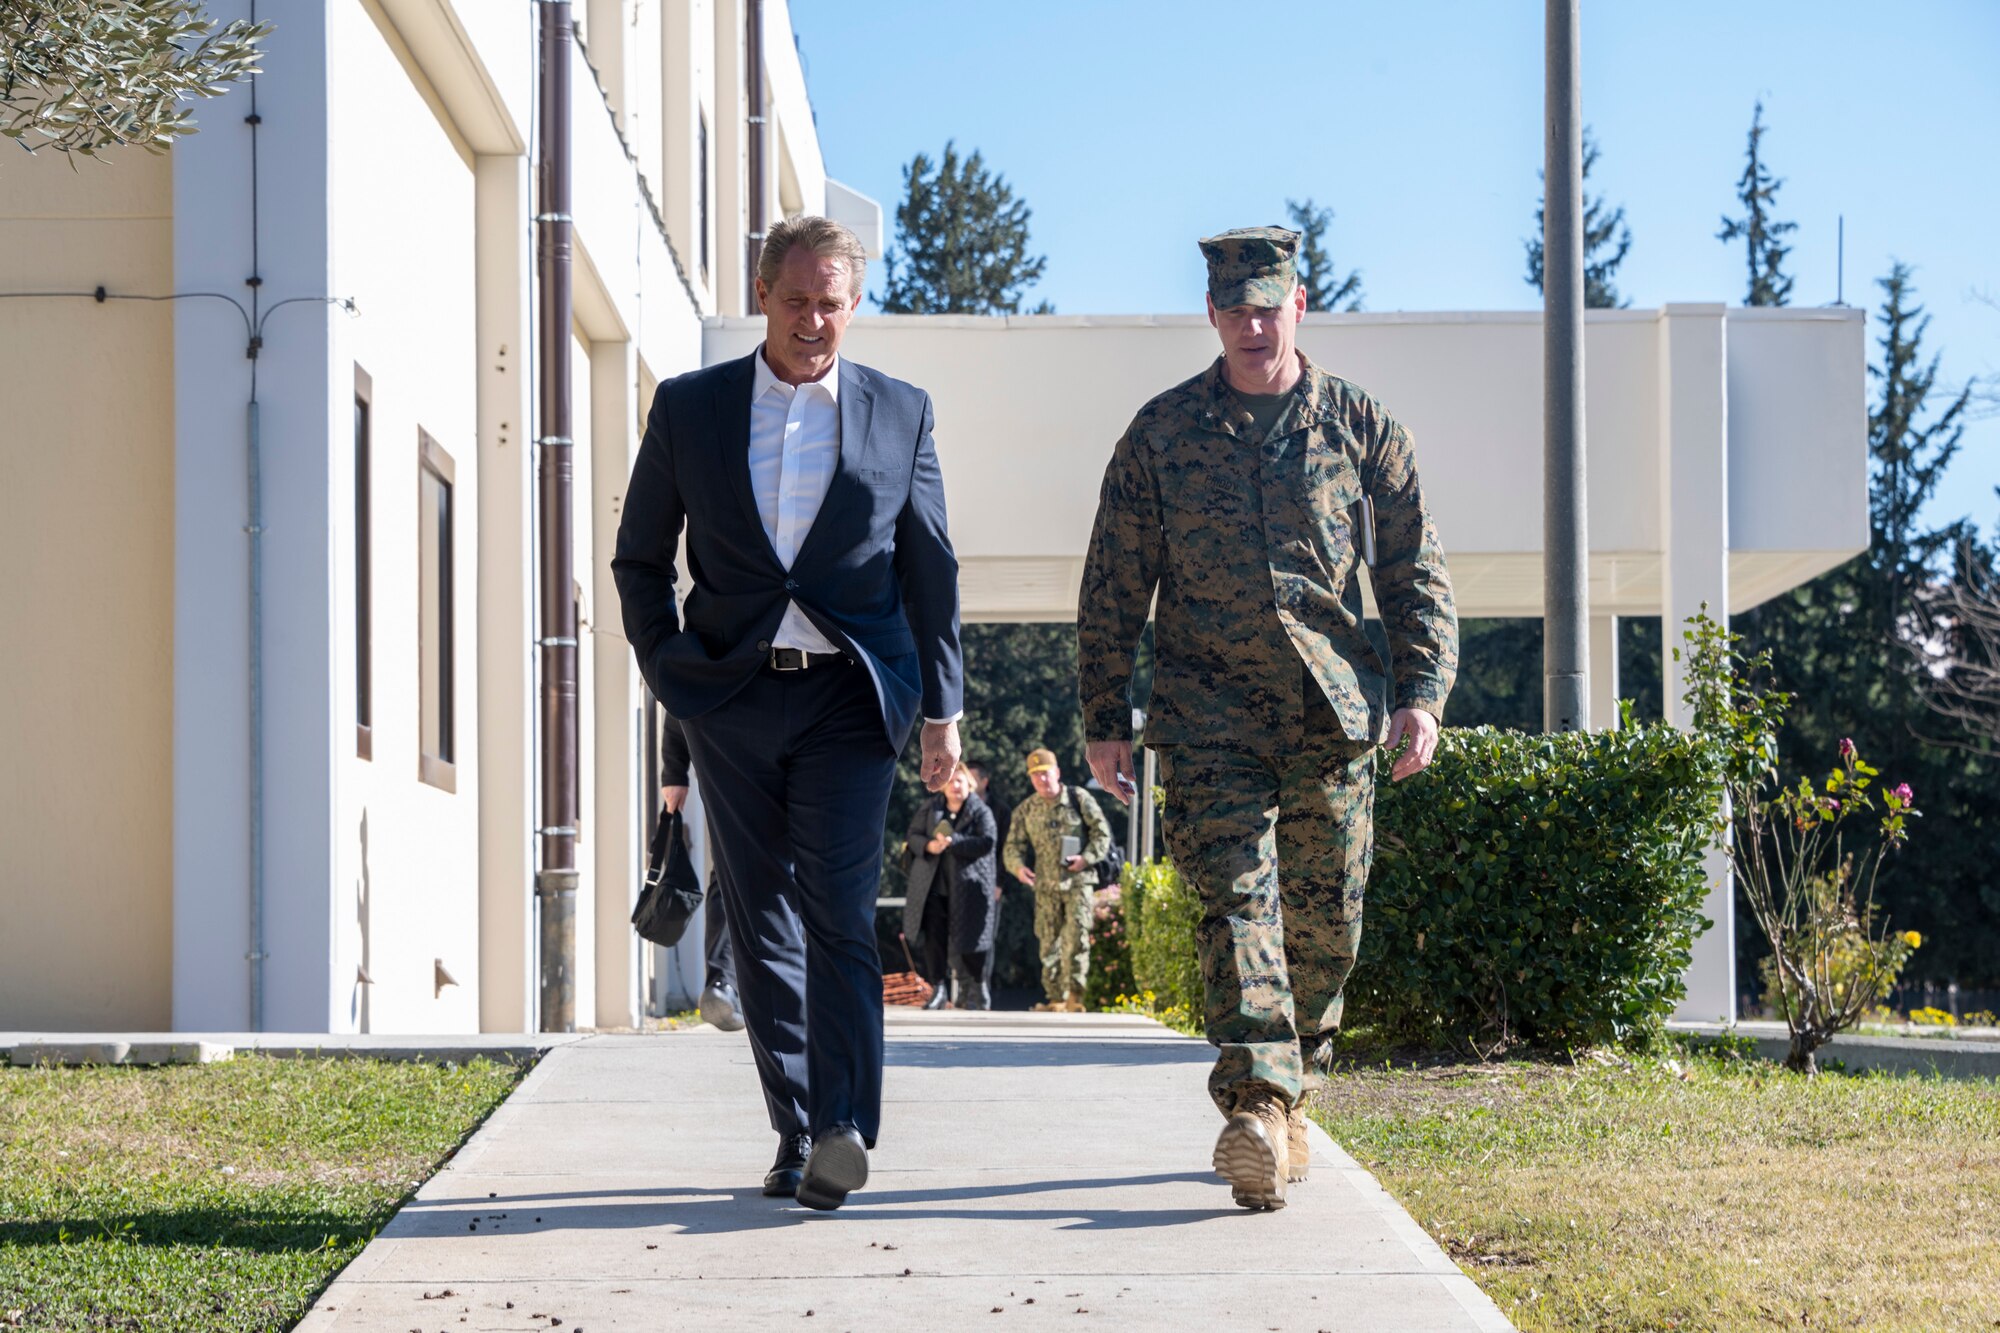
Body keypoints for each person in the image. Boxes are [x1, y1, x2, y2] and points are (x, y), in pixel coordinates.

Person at [1077, 226, 1457, 1212]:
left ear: (1298, 305)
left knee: (1323, 924)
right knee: (1238, 905)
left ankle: (1289, 1095)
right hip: (1206, 715)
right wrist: (1102, 716)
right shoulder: (1159, 435)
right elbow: (1113, 586)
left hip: (1331, 712)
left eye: (1266, 306)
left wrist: (1420, 694)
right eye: (1232, 309)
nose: (1250, 325)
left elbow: (1414, 572)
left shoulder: (1361, 427)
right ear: (1210, 315)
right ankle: (1253, 1100)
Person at [613, 214, 964, 1212]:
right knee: (759, 914)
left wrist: (943, 710)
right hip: (731, 697)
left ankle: (846, 1123)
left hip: (851, 697)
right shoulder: (691, 409)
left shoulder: (901, 412)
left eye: (832, 303)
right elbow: (639, 558)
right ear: (763, 295)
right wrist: (669, 663)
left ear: (853, 305)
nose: (814, 320)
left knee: (840, 910)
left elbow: (928, 569)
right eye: (797, 299)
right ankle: (796, 1128)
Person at [1002, 748, 1111, 1014]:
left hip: (1078, 881)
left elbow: (1102, 834)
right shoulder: (1027, 808)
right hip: (1046, 886)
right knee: (1048, 942)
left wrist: (1085, 858)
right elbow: (1012, 846)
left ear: (1057, 773)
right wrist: (1018, 868)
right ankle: (1055, 998)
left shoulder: (1079, 798)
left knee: (1076, 938)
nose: (1041, 780)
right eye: (1035, 775)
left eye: (1045, 773)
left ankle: (1075, 996)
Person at [659, 717, 745, 1032]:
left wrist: (674, 771)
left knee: (733, 873)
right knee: (728, 872)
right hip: (727, 764)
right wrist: (674, 770)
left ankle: (728, 983)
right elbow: (679, 682)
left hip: (777, 757)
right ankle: (724, 985)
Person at [903, 761, 1001, 1010]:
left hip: (969, 888)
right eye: (951, 781)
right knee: (933, 940)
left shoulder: (980, 811)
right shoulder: (930, 808)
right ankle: (938, 989)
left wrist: (954, 841)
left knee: (972, 941)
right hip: (934, 887)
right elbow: (912, 836)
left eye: (960, 781)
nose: (955, 786)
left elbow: (987, 842)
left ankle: (979, 987)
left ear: (969, 784)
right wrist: (928, 845)